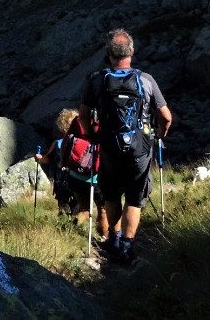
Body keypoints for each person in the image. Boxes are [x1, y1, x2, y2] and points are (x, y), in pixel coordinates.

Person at [79, 28, 172, 265]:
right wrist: (160, 134)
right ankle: (128, 247)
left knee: (110, 195)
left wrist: (91, 135)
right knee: (134, 198)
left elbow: (83, 115)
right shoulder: (146, 80)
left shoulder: (97, 79)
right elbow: (166, 116)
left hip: (108, 147)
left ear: (108, 54)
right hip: (139, 149)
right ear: (131, 51)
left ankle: (114, 237)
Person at [33, 108, 98, 225]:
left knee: (64, 207)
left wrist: (39, 158)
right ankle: (74, 225)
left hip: (62, 182)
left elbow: (47, 159)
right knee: (83, 207)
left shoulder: (58, 143)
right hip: (81, 180)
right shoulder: (88, 142)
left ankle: (65, 227)